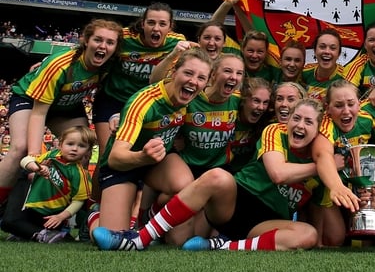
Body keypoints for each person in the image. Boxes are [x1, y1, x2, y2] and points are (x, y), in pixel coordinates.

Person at [92, 98, 359, 251]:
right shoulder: (275, 131)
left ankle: (220, 247)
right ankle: (140, 239)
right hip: (234, 202)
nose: (299, 125)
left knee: (307, 235)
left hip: (263, 224)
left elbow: (315, 208)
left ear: (319, 130)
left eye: (308, 122)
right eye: (296, 118)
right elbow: (277, 173)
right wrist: (324, 170)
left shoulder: (325, 157)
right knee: (217, 177)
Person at [90, 48, 213, 246]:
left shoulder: (195, 99)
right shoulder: (145, 101)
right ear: (174, 73)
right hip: (124, 164)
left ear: (206, 83)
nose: (193, 81)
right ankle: (94, 216)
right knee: (110, 237)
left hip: (157, 160)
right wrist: (142, 157)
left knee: (184, 185)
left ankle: (150, 217)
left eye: (201, 77)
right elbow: (115, 157)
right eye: (188, 73)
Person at [0, 18, 122, 206]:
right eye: (98, 40)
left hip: (66, 105)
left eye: (110, 42)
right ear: (86, 40)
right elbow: (39, 113)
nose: (103, 46)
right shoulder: (61, 65)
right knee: (19, 149)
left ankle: (61, 210)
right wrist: (34, 156)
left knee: (83, 151)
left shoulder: (109, 65)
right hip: (31, 101)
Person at [91, 3, 186, 200]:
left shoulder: (177, 44)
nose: (156, 28)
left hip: (148, 105)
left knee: (142, 156)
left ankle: (139, 206)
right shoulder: (124, 37)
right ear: (142, 24)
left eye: (162, 24)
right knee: (105, 156)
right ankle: (92, 206)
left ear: (170, 27)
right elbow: (90, 47)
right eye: (151, 23)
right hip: (113, 101)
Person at [1, 126, 93, 243]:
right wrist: (35, 167)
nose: (74, 149)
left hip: (52, 215)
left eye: (81, 146)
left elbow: (78, 201)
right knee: (7, 222)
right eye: (70, 144)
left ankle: (42, 234)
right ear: (60, 144)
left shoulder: (80, 174)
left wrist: (61, 217)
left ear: (88, 151)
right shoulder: (52, 154)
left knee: (9, 222)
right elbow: (25, 160)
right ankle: (33, 233)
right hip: (33, 208)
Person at [315, 79, 375, 247]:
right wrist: (336, 186)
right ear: (327, 108)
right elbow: (322, 154)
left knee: (370, 237)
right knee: (335, 239)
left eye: (351, 104)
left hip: (355, 185)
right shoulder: (327, 124)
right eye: (339, 105)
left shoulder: (367, 120)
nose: (346, 111)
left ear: (359, 104)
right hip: (327, 189)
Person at [178, 53, 245, 178]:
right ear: (213, 74)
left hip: (221, 168)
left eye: (239, 73)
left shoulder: (238, 100)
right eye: (227, 71)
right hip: (188, 166)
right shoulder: (191, 97)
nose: (234, 77)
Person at [225, 77, 272, 174]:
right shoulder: (228, 115)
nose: (261, 107)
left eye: (265, 102)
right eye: (256, 101)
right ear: (243, 100)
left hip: (245, 175)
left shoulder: (266, 122)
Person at [301, 29, 351, 106]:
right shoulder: (304, 72)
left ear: (339, 53)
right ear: (315, 50)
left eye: (333, 48)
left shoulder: (346, 77)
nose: (327, 51)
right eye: (322, 47)